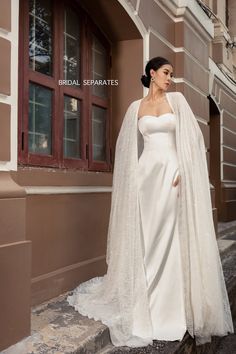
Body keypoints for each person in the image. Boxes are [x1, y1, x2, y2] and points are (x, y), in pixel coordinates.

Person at [67, 57, 234, 348]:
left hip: (171, 175)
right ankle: (140, 297)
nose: (170, 78)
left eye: (172, 74)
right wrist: (131, 180)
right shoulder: (135, 108)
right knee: (146, 234)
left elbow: (193, 142)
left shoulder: (178, 101)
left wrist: (183, 170)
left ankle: (168, 305)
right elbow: (127, 148)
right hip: (146, 178)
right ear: (152, 74)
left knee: (167, 234)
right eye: (166, 73)